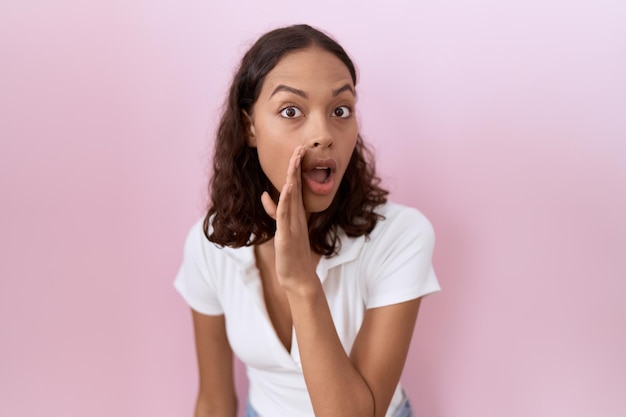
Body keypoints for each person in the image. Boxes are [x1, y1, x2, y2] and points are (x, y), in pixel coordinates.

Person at [174, 24, 440, 417]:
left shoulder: (401, 236)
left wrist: (301, 282)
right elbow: (214, 401)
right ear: (249, 126)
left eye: (340, 110)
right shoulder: (210, 243)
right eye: (291, 111)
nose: (323, 134)